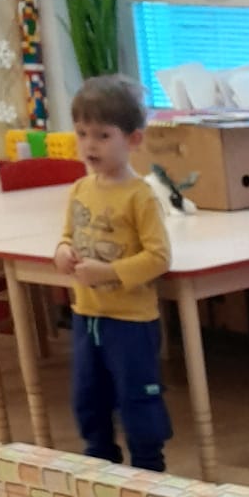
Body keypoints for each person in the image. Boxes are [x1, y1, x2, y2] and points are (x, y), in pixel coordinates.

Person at [53, 75, 173, 472]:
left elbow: (158, 258)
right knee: (88, 397)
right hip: (87, 316)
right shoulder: (79, 189)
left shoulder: (139, 195)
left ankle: (148, 468)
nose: (90, 145)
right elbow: (68, 236)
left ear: (133, 139)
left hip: (131, 322)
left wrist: (110, 272)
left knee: (137, 399)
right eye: (82, 133)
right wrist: (62, 252)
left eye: (103, 135)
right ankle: (99, 463)